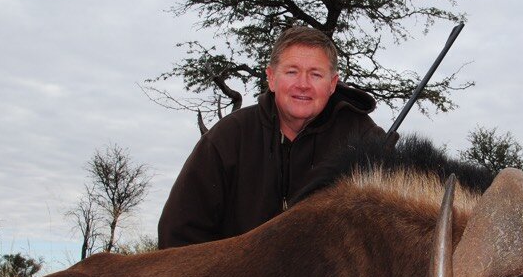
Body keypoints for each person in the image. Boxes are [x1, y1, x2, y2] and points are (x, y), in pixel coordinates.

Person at [158, 26, 384, 248]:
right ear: (271, 77)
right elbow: (177, 237)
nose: (303, 85)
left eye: (315, 74)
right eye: (291, 72)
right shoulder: (228, 137)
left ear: (333, 84)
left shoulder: (365, 140)